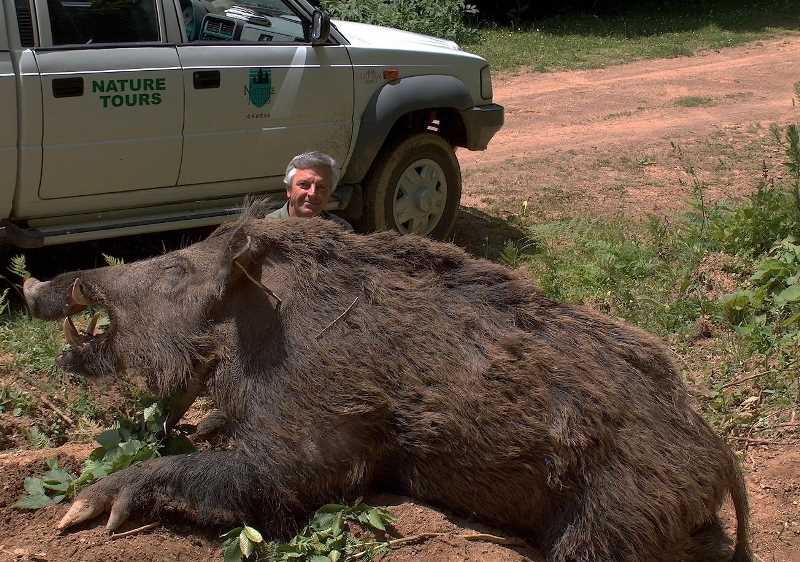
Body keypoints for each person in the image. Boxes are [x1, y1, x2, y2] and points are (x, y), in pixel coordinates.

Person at [267, 151, 352, 230]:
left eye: (321, 187)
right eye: (304, 185)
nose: (313, 193)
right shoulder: (267, 229)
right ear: (289, 190)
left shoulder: (342, 230)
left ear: (329, 193)